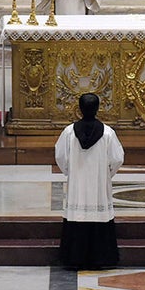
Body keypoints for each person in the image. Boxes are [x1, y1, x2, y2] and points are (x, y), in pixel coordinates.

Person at [54, 93, 125, 270]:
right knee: (99, 215)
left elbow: (60, 155)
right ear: (98, 108)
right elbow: (117, 158)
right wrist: (107, 174)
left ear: (79, 109)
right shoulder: (108, 133)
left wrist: (69, 171)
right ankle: (101, 259)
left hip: (77, 185)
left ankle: (74, 258)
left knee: (77, 215)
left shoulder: (69, 132)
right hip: (98, 185)